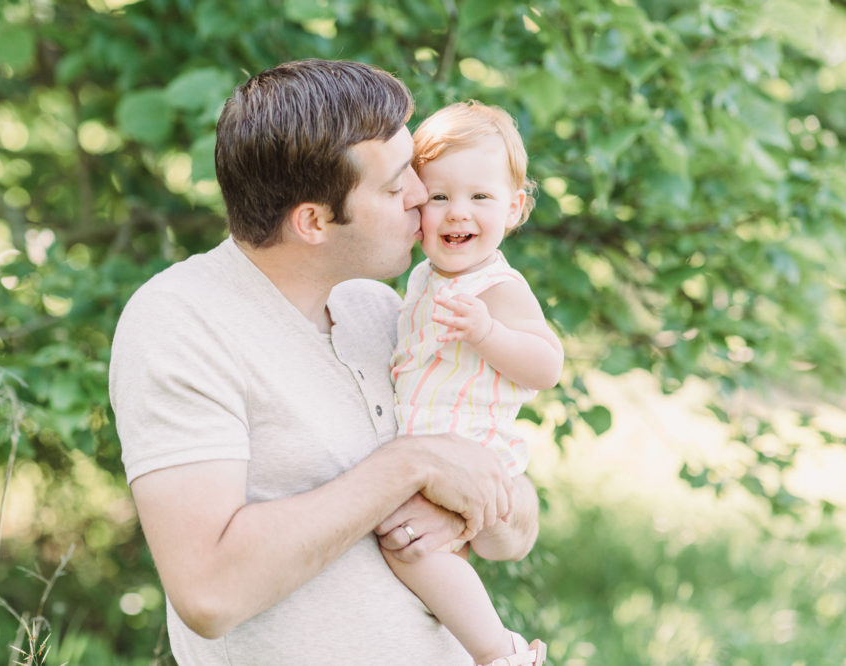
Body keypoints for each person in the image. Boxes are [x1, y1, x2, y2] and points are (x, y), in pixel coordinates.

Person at [109, 60, 541, 665]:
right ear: (312, 221)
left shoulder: (380, 306)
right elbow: (207, 592)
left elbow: (516, 528)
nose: (424, 197)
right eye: (396, 187)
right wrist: (409, 466)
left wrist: (470, 512)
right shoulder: (181, 323)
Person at [384, 101, 563, 666]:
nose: (458, 212)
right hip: (430, 447)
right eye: (440, 196)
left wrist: (487, 333)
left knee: (411, 548)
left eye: (480, 197)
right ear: (416, 205)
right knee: (420, 551)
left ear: (514, 208)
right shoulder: (420, 278)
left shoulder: (499, 286)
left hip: (471, 449)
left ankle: (500, 651)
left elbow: (547, 364)